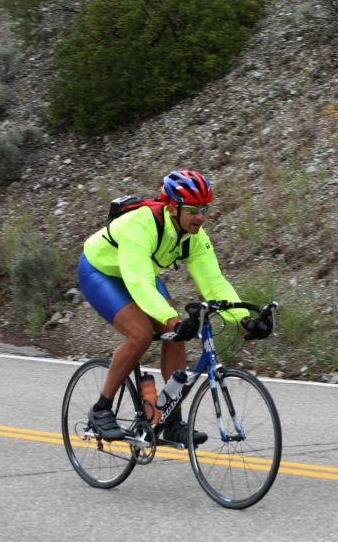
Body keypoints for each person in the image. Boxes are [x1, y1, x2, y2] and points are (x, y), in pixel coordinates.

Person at [77, 170, 267, 445]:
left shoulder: (195, 237)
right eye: (192, 210)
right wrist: (173, 319)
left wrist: (244, 319)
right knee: (141, 334)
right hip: (101, 272)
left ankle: (171, 421)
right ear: (172, 207)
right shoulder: (142, 225)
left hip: (138, 272)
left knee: (178, 332)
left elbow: (214, 283)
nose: (200, 217)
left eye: (203, 209)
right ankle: (101, 409)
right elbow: (139, 283)